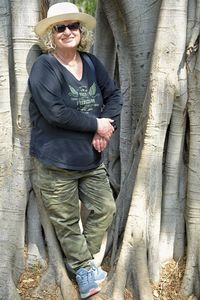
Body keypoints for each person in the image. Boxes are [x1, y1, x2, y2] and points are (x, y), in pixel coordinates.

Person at [28, 2, 122, 299]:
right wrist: (96, 124)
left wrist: (106, 130)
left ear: (81, 31)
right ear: (51, 35)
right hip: (56, 162)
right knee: (67, 222)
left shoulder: (92, 62)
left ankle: (84, 260)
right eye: (60, 28)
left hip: (91, 160)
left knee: (106, 208)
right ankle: (83, 270)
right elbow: (55, 112)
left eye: (73, 26)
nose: (68, 32)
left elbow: (114, 95)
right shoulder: (45, 66)